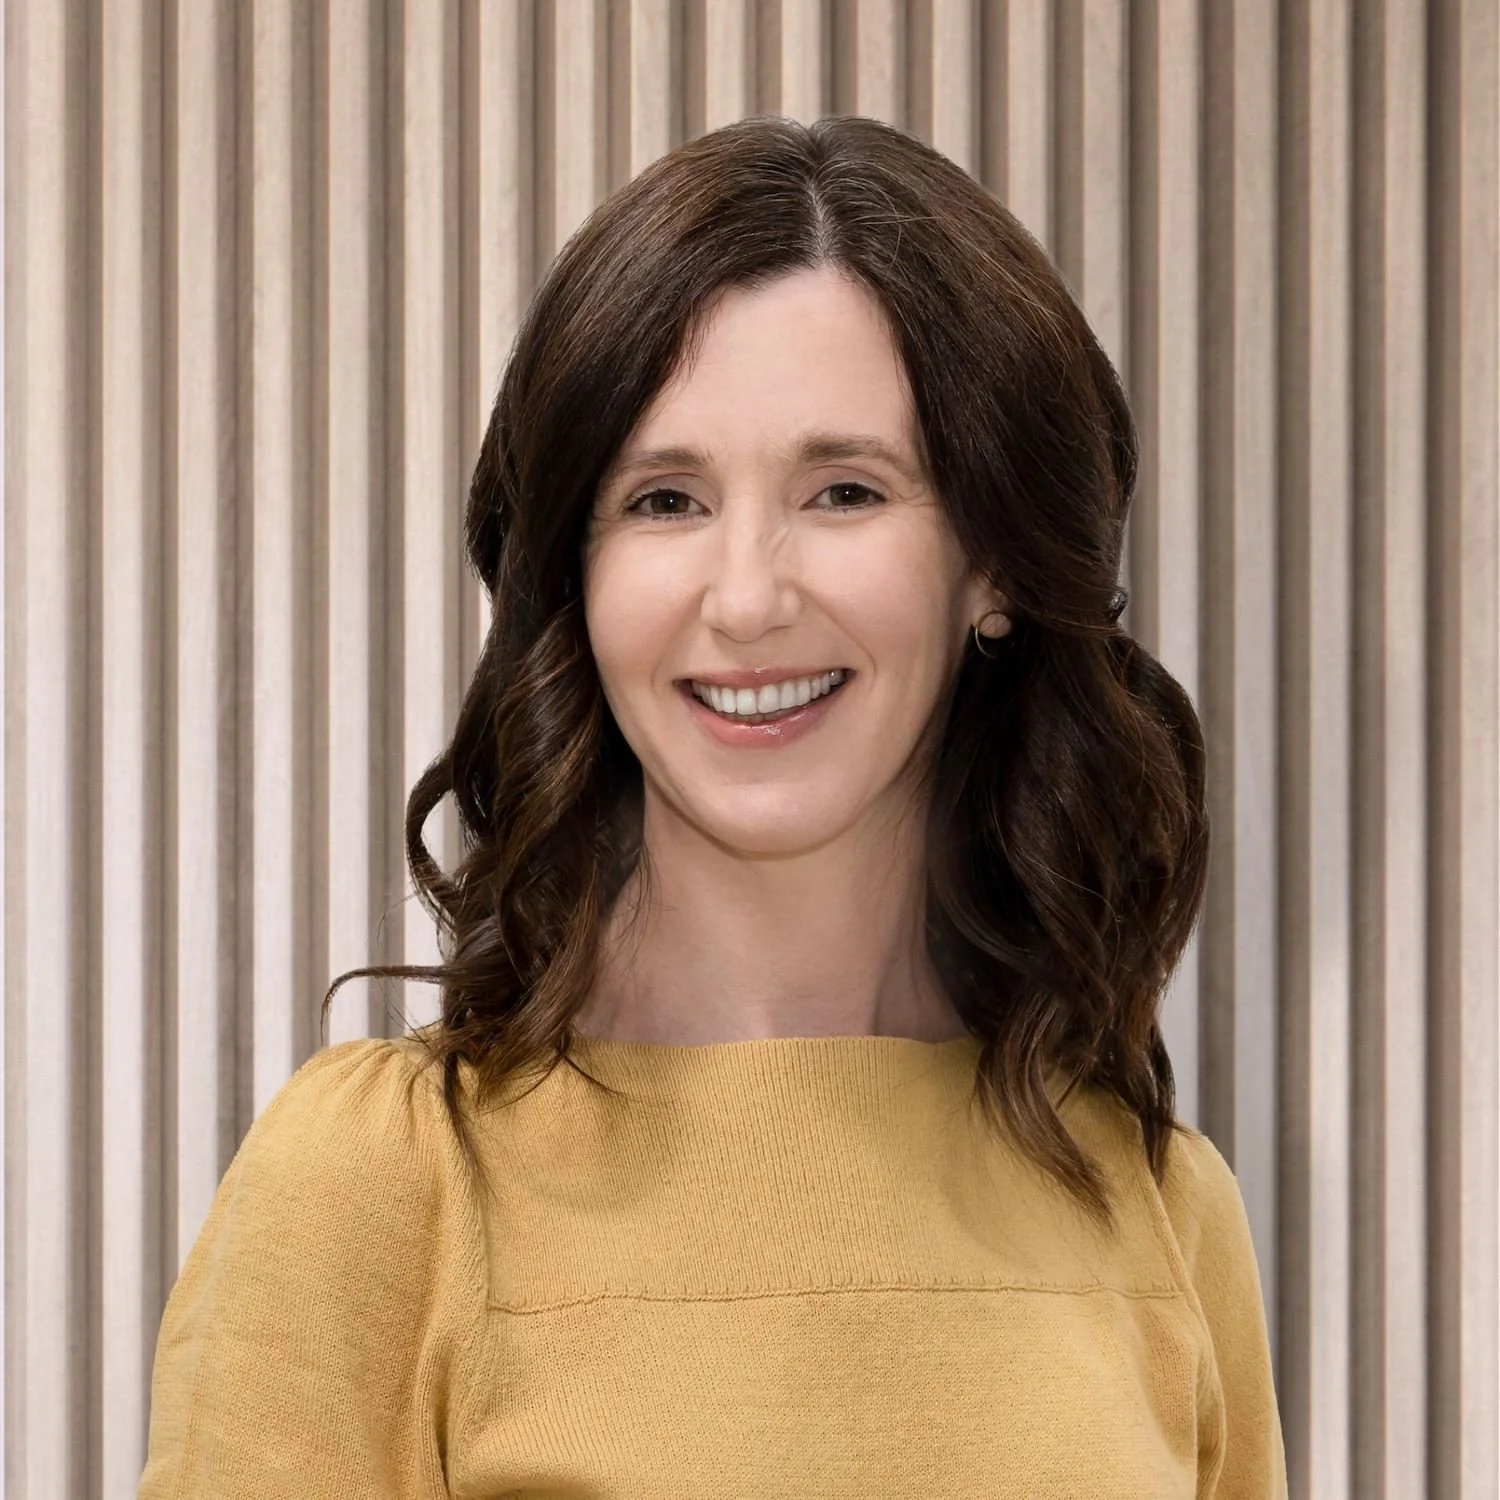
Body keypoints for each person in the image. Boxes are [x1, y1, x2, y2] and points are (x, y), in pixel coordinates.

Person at [139, 114, 1288, 1498]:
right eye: (665, 500)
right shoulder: (384, 1190)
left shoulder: (1162, 1211)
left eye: (845, 490)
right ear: (579, 576)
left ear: (992, 562)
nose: (746, 597)